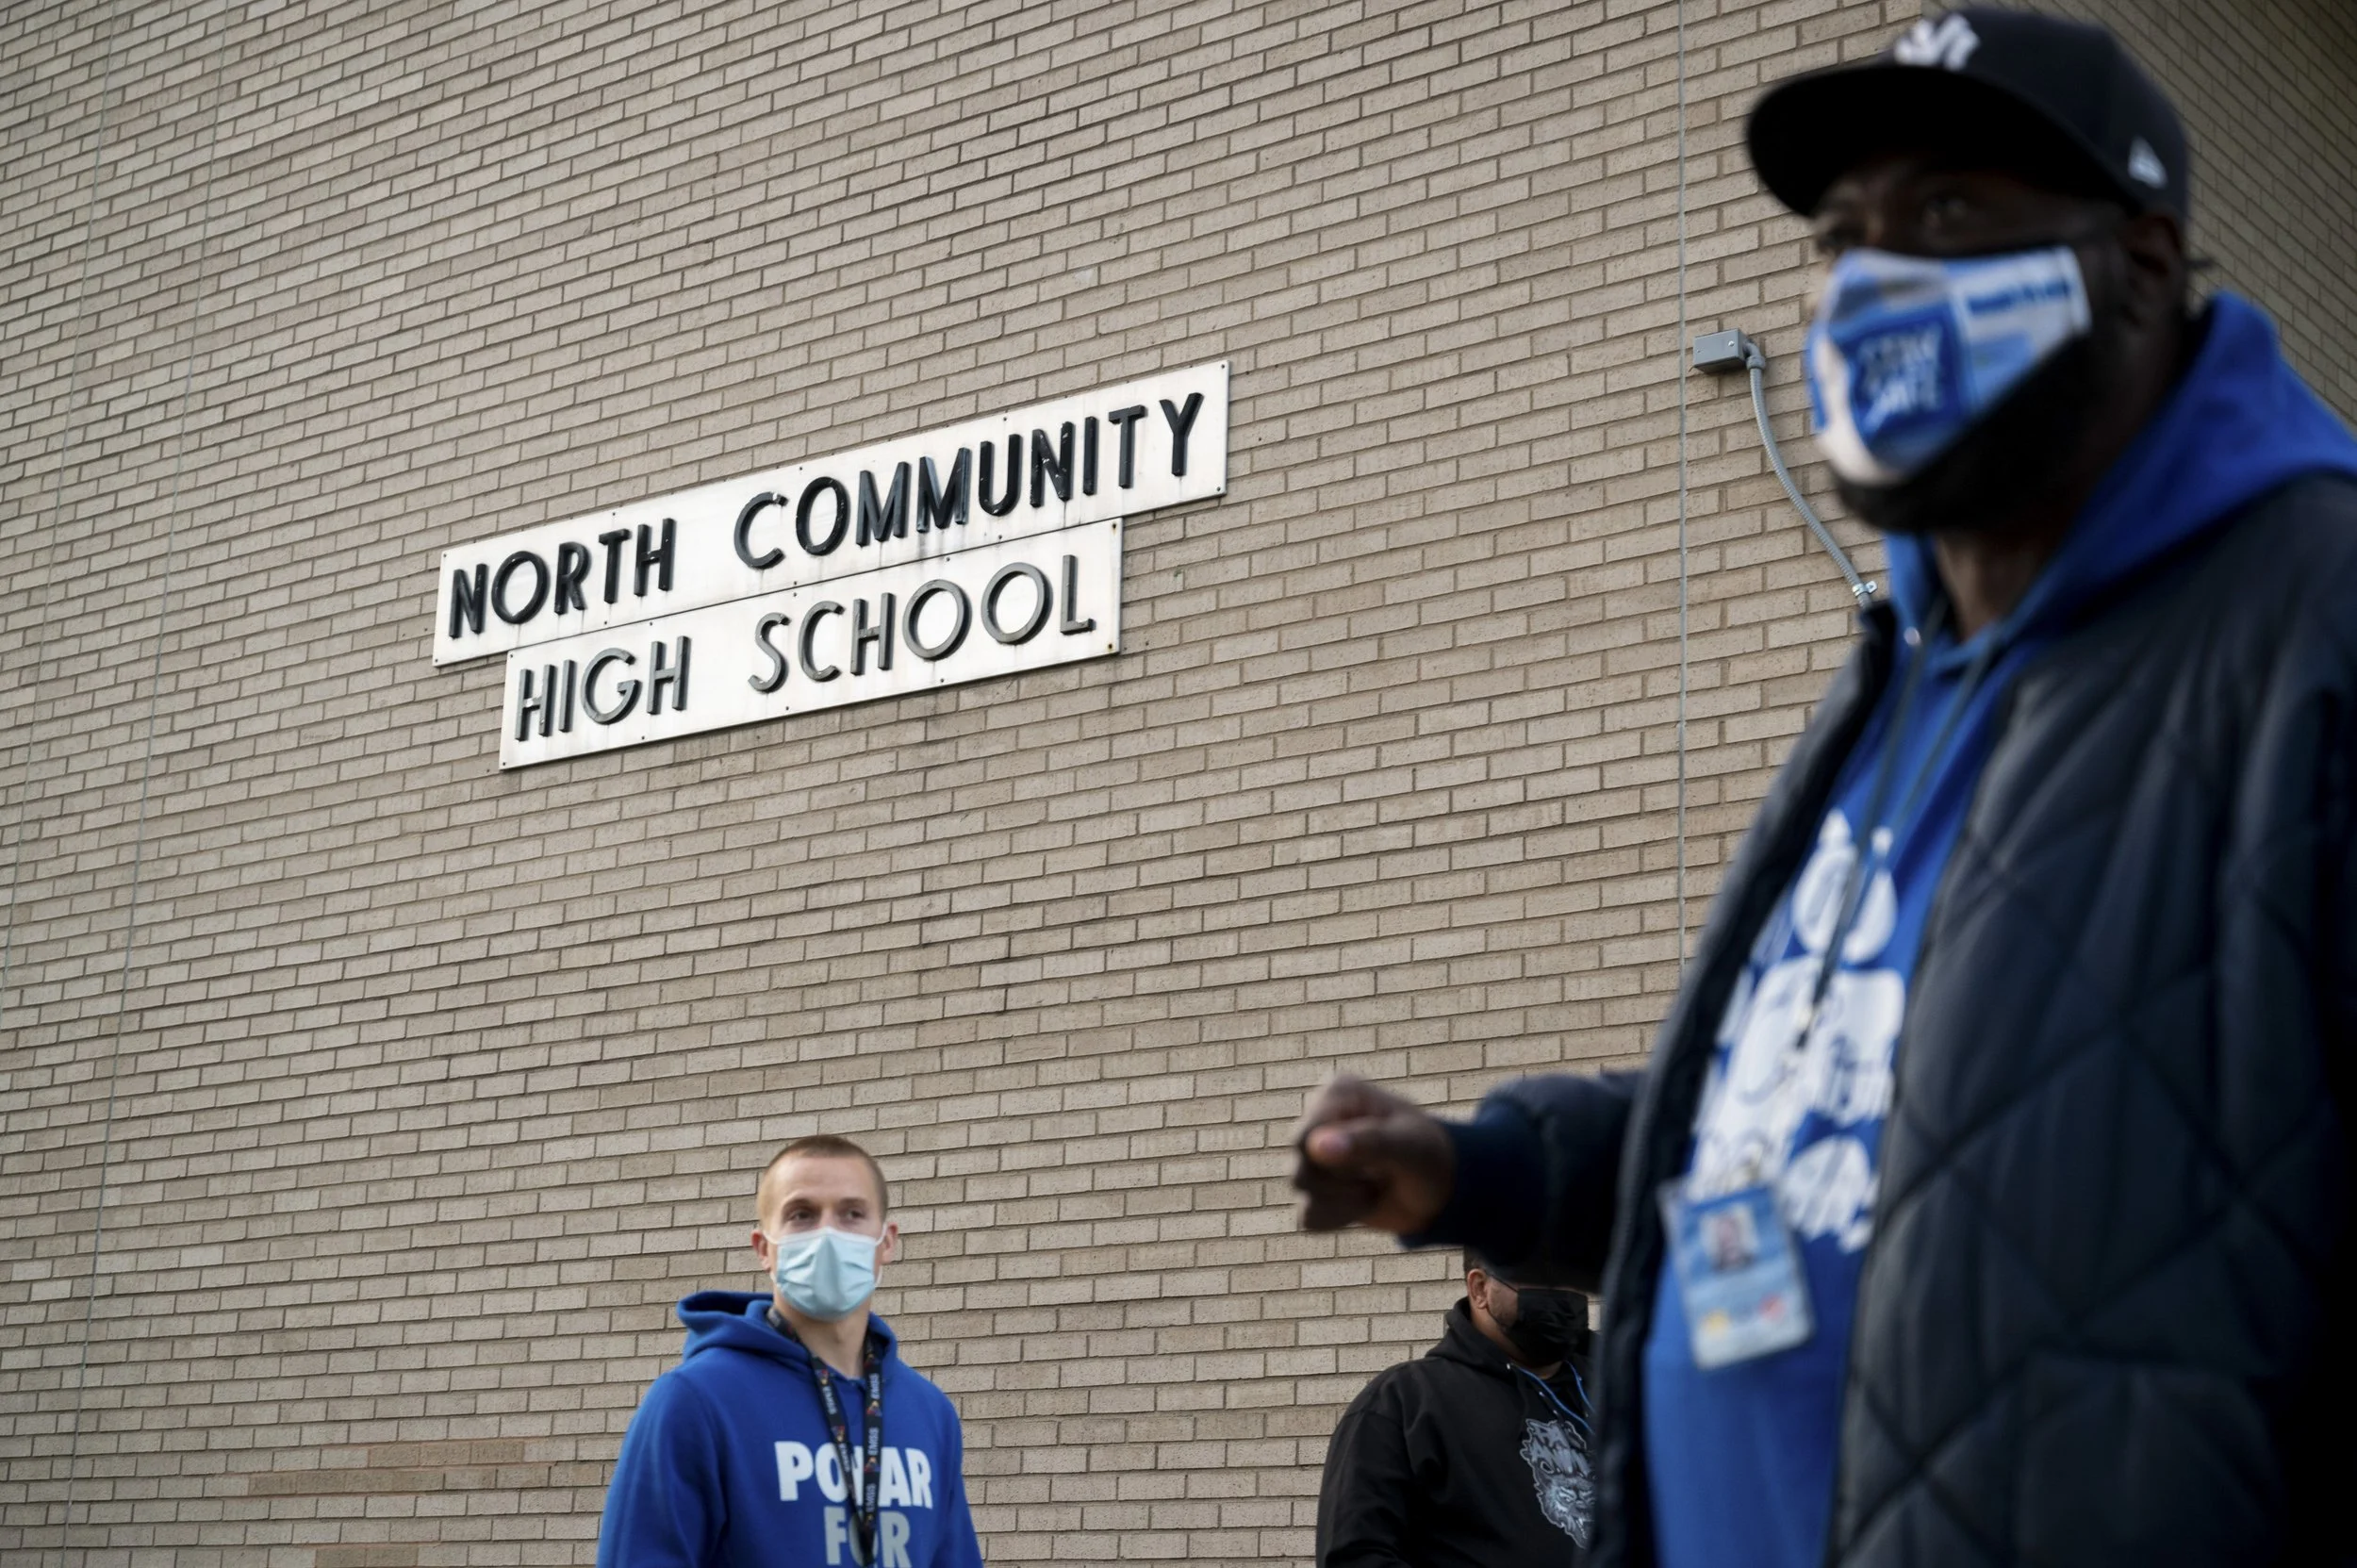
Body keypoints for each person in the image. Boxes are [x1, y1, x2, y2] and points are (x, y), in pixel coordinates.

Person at [1293, 9, 2357, 1567]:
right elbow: (1831, 1131)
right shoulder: (1902, 681)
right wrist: (1496, 1168)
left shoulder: (2307, 631)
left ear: (2138, 261)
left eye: (1942, 219)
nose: (1864, 284)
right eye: (1836, 236)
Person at [598, 1134, 984, 1568]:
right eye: (802, 1215)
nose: (827, 1235)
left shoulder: (930, 1411)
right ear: (765, 1249)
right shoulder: (695, 1401)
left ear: (887, 1242)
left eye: (852, 1214)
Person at [1315, 1252, 1595, 1566]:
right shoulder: (1405, 1402)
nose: (1561, 1293)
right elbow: (1357, 1555)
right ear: (1479, 1289)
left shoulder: (1622, 1391)